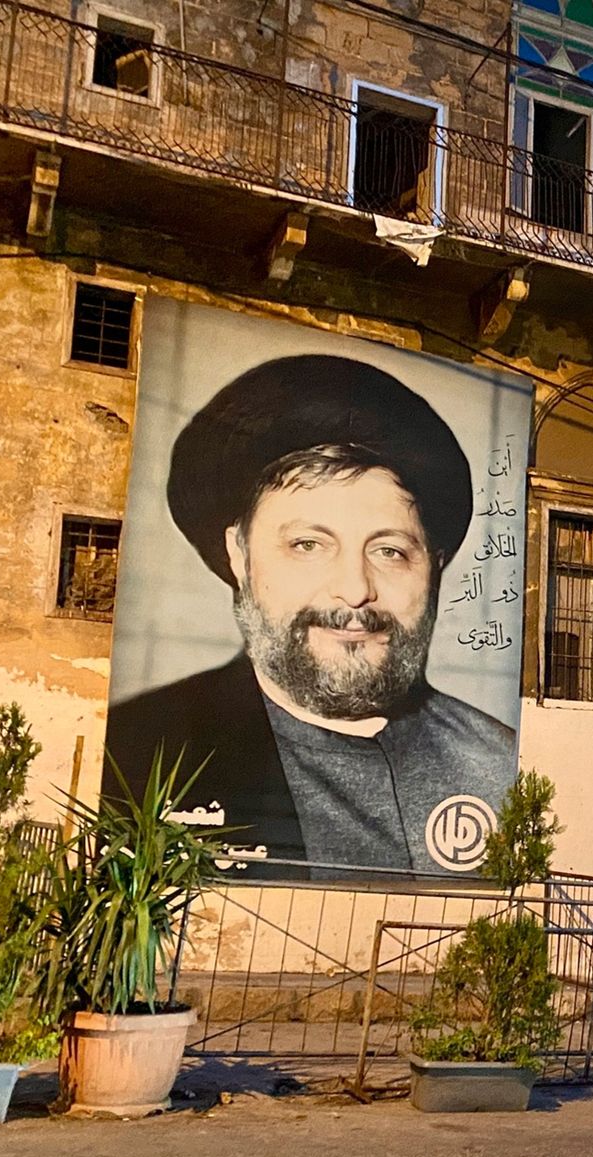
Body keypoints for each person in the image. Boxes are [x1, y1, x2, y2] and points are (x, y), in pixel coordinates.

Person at [104, 354, 517, 873]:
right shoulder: (137, 750)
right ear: (240, 554)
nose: (354, 591)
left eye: (389, 551)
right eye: (307, 544)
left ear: (432, 568)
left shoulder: (498, 763)